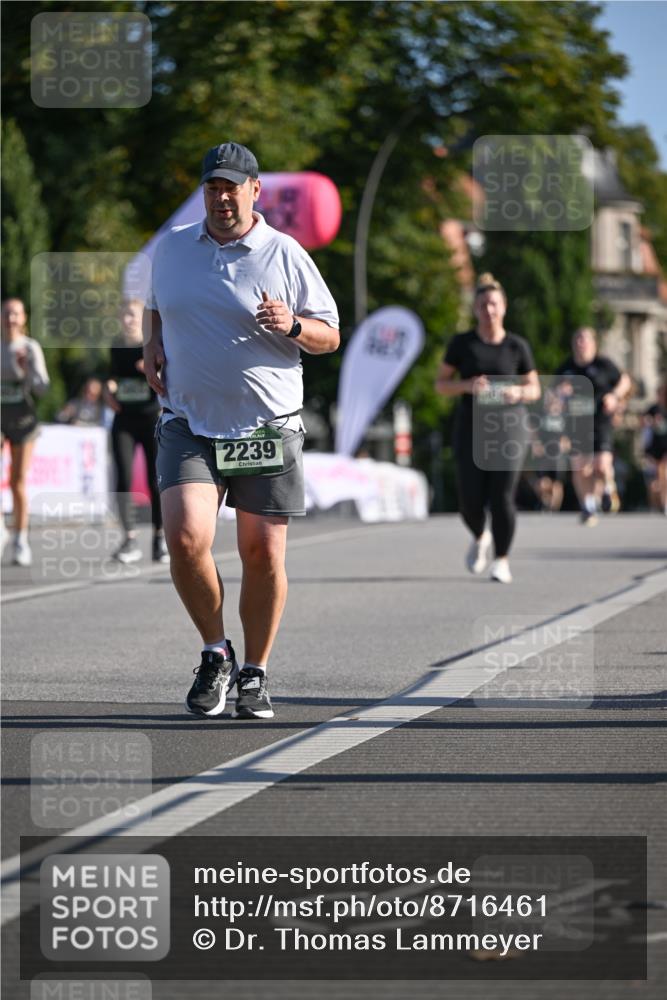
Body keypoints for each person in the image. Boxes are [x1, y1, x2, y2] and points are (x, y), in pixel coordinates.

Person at [142, 141, 339, 719]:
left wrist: (295, 324)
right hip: (189, 422)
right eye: (212, 187)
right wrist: (150, 341)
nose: (222, 197)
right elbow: (156, 303)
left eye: (233, 187)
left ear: (256, 192)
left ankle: (254, 672)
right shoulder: (173, 249)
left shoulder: (285, 254)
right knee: (183, 539)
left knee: (262, 552)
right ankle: (214, 651)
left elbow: (330, 335)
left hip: (266, 427)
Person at [435, 273, 540, 583]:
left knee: (502, 495)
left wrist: (518, 392)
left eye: (493, 304)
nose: (488, 310)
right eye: (482, 304)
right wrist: (468, 385)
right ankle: (480, 535)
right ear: (475, 309)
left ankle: (502, 560)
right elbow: (441, 385)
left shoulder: (517, 346)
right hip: (470, 427)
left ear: (503, 307)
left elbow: (534, 388)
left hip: (509, 427)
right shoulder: (462, 344)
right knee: (469, 499)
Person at [105, 299, 167, 563]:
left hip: (151, 418)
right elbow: (110, 377)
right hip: (124, 420)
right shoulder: (116, 346)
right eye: (125, 315)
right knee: (123, 478)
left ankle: (159, 538)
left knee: (156, 480)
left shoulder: (154, 344)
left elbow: (170, 377)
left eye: (133, 315)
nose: (128, 320)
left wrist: (153, 369)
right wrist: (108, 391)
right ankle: (129, 539)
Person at [555, 327, 631, 525]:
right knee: (580, 468)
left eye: (585, 340)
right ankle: (588, 506)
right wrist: (560, 396)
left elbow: (624, 381)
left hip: (600, 421)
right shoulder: (565, 369)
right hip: (576, 423)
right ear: (574, 344)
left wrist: (614, 397)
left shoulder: (604, 365)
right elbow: (552, 397)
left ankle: (608, 488)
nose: (581, 343)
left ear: (593, 344)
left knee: (602, 465)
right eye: (578, 339)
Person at [1, 297, 50, 567]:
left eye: (16, 314)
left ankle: (20, 539)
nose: (11, 319)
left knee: (17, 480)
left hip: (23, 419)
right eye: (6, 313)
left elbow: (42, 388)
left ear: (24, 319)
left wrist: (25, 369)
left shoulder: (30, 347)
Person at [642, 380, 667, 515]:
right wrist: (650, 422)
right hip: (655, 447)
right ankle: (658, 504)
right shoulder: (653, 408)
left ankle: (664, 502)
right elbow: (643, 421)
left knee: (664, 474)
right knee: (657, 479)